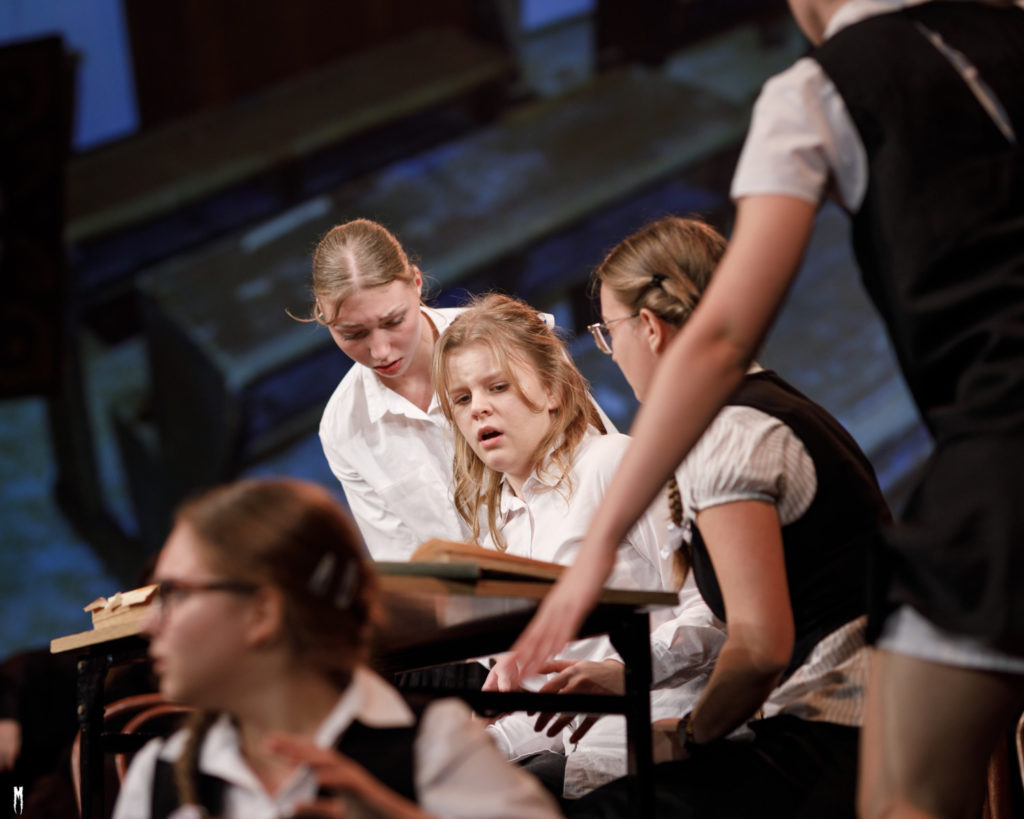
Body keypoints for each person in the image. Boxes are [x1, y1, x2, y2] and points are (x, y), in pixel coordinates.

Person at [513, 2, 1024, 817]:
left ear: (651, 324)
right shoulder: (1003, 24)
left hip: (987, 468)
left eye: (608, 333)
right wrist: (627, 674)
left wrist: (602, 543)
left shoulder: (815, 91)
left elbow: (759, 644)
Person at [111, 477, 561, 818]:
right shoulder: (157, 776)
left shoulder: (432, 745)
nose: (149, 624)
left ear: (262, 612)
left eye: (175, 595)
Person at [432, 293, 723, 800]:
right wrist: (479, 743)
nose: (478, 407)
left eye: (497, 386)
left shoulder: (611, 463)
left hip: (663, 745)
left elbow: (714, 614)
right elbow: (549, 710)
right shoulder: (496, 528)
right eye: (461, 398)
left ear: (551, 390)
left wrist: (623, 673)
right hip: (578, 765)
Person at [308, 218, 471, 561]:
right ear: (322, 313)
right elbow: (403, 560)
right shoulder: (343, 428)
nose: (380, 351)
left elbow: (583, 472)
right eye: (353, 334)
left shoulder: (510, 344)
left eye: (393, 321)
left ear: (416, 282)